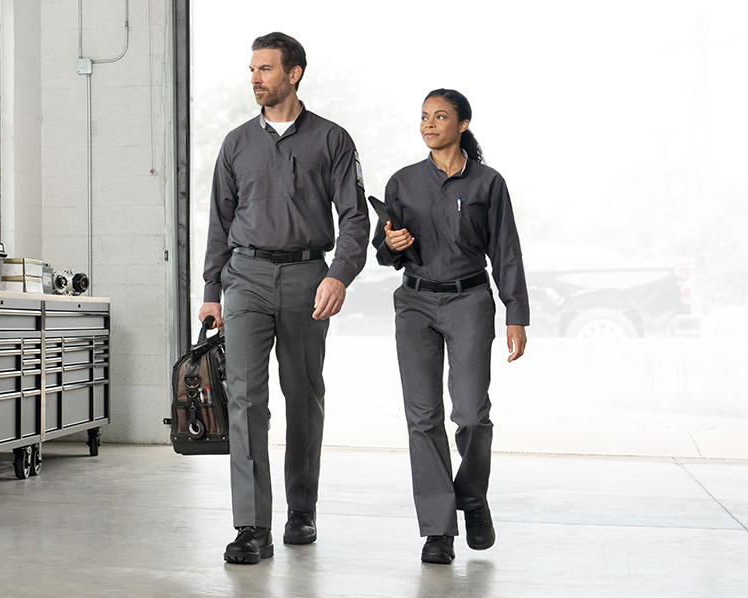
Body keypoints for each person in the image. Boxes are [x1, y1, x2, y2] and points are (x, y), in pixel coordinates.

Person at [200, 31, 369, 564]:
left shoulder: (332, 140)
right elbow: (218, 222)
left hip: (305, 278)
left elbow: (356, 217)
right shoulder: (235, 143)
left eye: (265, 69)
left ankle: (301, 510)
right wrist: (210, 290)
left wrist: (339, 274)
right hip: (244, 277)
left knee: (303, 397)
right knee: (247, 400)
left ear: (293, 73)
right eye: (252, 70)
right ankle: (252, 526)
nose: (255, 79)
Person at [372, 88, 528, 565]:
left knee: (472, 415)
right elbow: (385, 255)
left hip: (470, 301)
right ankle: (438, 530)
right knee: (422, 418)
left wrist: (516, 314)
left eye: (440, 117)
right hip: (415, 304)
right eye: (423, 117)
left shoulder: (487, 183)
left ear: (462, 125)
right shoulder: (402, 181)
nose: (429, 124)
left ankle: (473, 497)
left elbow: (506, 250)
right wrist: (393, 243)